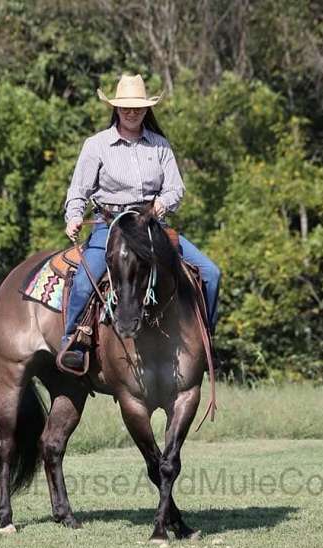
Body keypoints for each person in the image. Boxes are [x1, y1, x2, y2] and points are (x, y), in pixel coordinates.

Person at [61, 74, 221, 370]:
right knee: (85, 280)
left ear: (146, 110)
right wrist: (73, 217)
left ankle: (206, 340)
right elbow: (78, 190)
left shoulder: (160, 146)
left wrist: (161, 204)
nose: (131, 112)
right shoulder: (97, 145)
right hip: (110, 226)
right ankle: (73, 340)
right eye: (125, 107)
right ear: (116, 108)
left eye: (137, 107)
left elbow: (175, 188)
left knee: (211, 273)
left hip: (149, 226)